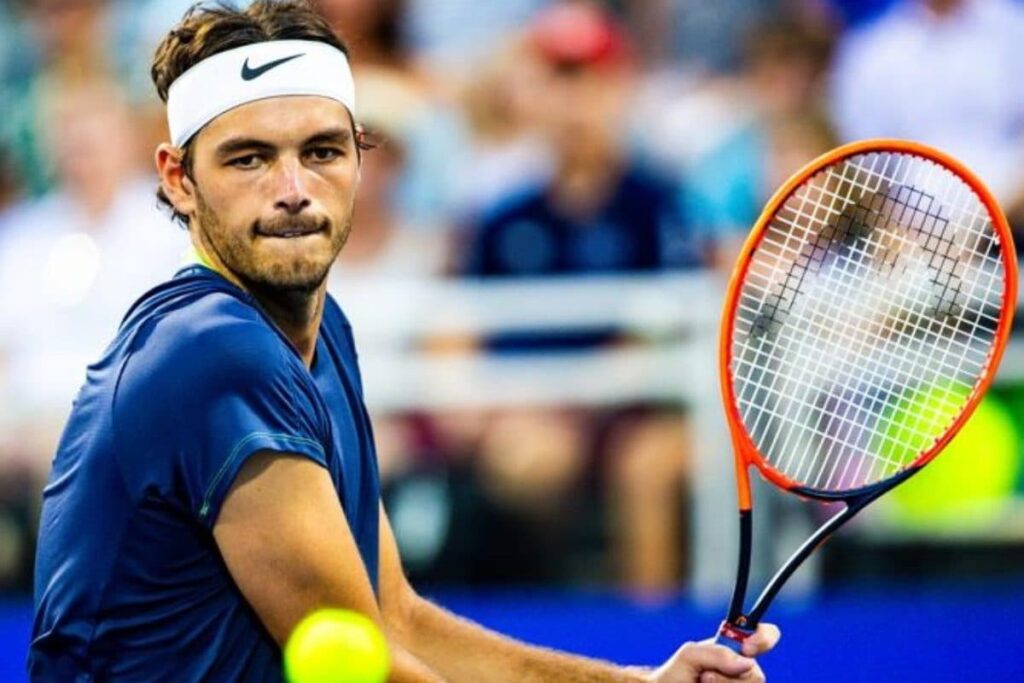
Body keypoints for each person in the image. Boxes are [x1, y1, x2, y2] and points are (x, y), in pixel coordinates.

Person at [29, 2, 779, 681]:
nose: (293, 187)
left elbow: (395, 617)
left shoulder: (321, 335)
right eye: (248, 157)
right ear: (178, 178)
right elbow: (376, 664)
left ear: (361, 158)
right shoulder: (212, 349)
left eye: (322, 151)